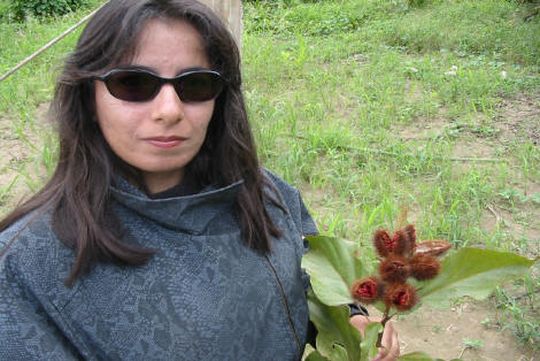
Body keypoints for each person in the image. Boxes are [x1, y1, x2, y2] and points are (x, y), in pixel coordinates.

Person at [0, 1, 399, 360]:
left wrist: (352, 320)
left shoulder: (267, 195)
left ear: (220, 99)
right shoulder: (25, 266)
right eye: (134, 84)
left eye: (195, 84)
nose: (169, 110)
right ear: (88, 97)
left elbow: (316, 284)